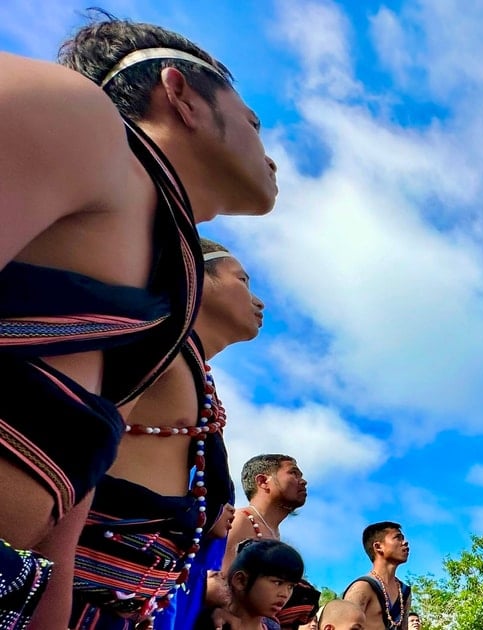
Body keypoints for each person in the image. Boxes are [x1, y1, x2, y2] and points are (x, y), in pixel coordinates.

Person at [1, 8, 276, 624]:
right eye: (255, 122)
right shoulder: (84, 120)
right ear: (179, 92)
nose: (271, 154)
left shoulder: (155, 295)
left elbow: (59, 532)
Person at [68, 238, 261, 628]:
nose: (260, 302)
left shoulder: (192, 372)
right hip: (72, 602)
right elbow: (71, 462)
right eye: (242, 280)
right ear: (196, 276)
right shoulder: (153, 345)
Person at [224, 454, 320, 628]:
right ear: (263, 481)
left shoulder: (273, 533)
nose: (303, 481)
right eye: (293, 473)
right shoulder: (241, 521)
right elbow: (220, 581)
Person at [198, 539, 304, 630]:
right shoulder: (212, 622)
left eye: (291, 586)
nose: (285, 594)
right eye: (277, 582)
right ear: (240, 580)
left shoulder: (273, 627)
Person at [343, 522, 412, 630]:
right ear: (378, 546)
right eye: (398, 538)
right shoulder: (362, 588)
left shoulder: (404, 592)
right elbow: (344, 626)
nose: (405, 542)